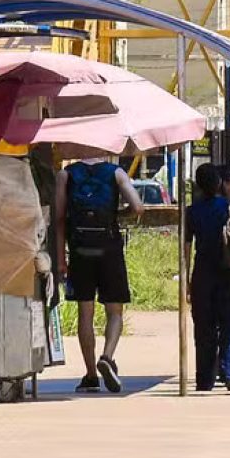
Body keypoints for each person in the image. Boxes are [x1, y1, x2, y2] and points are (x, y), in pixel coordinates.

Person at [55, 157, 144, 394]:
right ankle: (107, 356)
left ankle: (91, 375)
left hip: (80, 249)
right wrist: (118, 215)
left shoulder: (67, 174)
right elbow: (138, 208)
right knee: (114, 311)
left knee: (85, 312)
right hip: (109, 247)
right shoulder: (116, 173)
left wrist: (61, 259)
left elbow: (59, 219)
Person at [186, 163, 230, 392]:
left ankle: (204, 379)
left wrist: (186, 281)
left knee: (204, 328)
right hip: (229, 272)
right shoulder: (228, 207)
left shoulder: (192, 211)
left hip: (202, 272)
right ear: (219, 183)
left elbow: (186, 248)